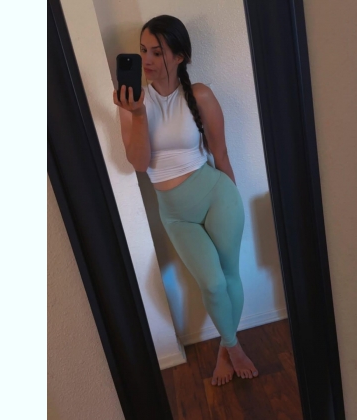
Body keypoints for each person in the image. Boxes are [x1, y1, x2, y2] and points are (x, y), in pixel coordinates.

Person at [113, 14, 258, 387]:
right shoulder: (133, 104)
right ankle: (233, 346)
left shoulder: (201, 95)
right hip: (177, 215)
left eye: (157, 52)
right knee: (212, 283)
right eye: (143, 50)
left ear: (179, 56)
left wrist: (234, 199)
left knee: (229, 275)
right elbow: (139, 164)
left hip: (217, 197)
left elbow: (220, 154)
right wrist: (137, 115)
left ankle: (227, 348)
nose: (147, 59)